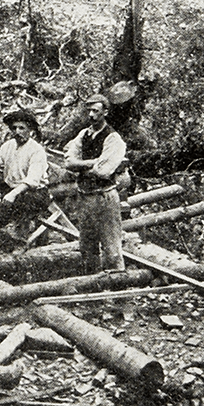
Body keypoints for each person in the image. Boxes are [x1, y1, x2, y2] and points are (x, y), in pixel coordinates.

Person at [0, 108, 53, 257]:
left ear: (30, 130)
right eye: (14, 128)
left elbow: (32, 181)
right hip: (11, 193)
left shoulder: (36, 150)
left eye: (22, 128)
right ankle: (11, 246)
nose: (17, 131)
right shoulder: (6, 147)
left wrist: (13, 194)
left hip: (35, 194)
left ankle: (21, 242)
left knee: (22, 202)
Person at [61, 94, 128, 273]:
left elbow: (103, 171)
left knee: (112, 247)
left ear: (105, 112)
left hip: (104, 196)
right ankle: (92, 287)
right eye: (89, 110)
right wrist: (93, 162)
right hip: (85, 197)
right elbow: (69, 163)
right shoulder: (84, 134)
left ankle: (118, 289)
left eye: (95, 111)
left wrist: (82, 166)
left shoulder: (113, 138)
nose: (91, 115)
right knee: (87, 246)